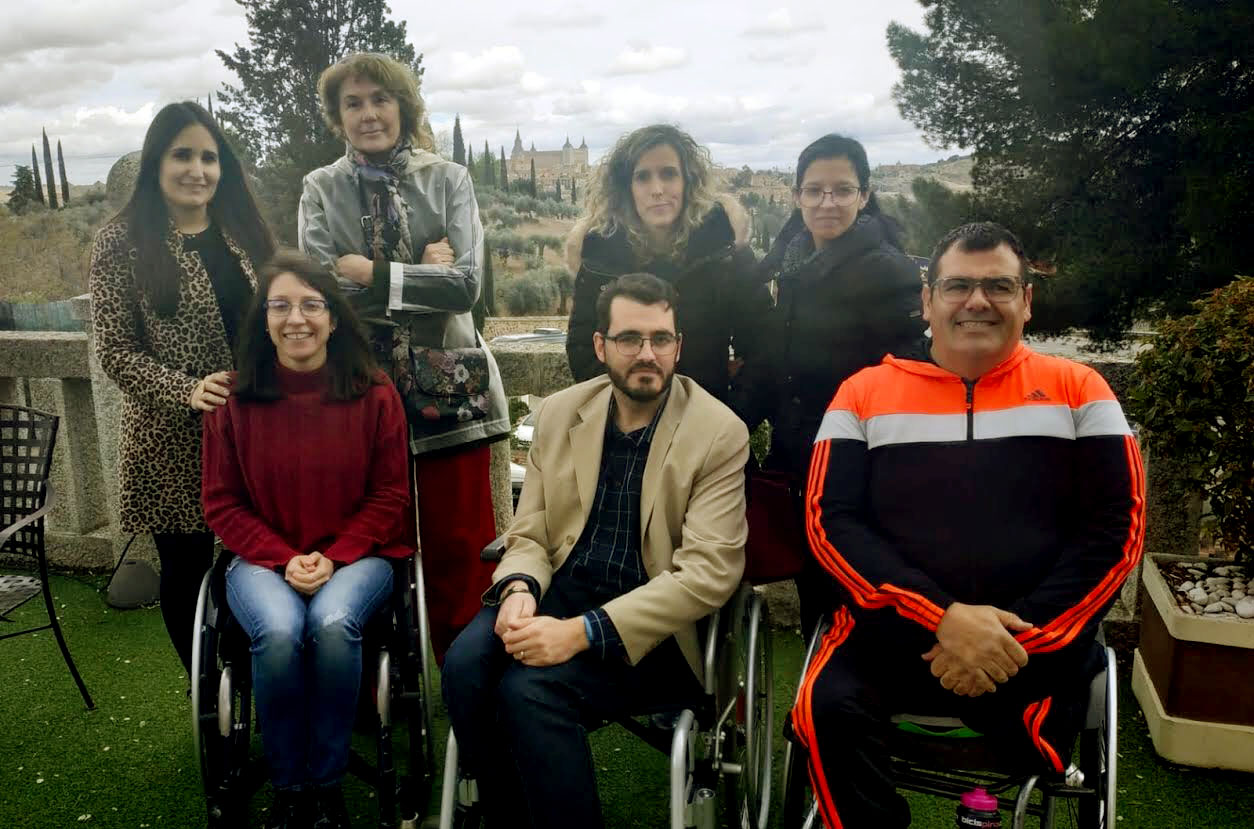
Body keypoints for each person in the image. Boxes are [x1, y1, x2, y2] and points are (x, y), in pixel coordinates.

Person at [790, 222, 1146, 828]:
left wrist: (1010, 642)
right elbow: (831, 523)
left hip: (1033, 647)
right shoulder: (863, 393)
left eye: (998, 286)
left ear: (1026, 301)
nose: (977, 301)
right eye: (957, 286)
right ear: (928, 300)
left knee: (1042, 726)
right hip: (892, 636)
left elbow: (1117, 532)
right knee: (823, 710)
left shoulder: (1080, 390)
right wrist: (943, 618)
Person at [442, 273, 749, 829]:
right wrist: (518, 588)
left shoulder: (717, 432)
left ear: (678, 346)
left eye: (661, 339)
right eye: (630, 338)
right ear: (601, 346)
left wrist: (580, 632)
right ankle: (508, 814)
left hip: (653, 635)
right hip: (560, 592)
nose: (647, 354)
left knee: (529, 691)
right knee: (465, 665)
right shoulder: (561, 413)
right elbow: (531, 532)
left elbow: (708, 574)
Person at [299, 52, 510, 661]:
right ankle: (374, 690)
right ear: (338, 116)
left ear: (404, 106)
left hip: (452, 392)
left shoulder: (449, 180)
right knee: (370, 547)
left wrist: (372, 272)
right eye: (353, 103)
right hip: (357, 392)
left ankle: (472, 689)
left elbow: (467, 286)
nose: (369, 114)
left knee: (463, 547)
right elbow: (318, 291)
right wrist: (422, 271)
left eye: (380, 100)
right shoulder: (320, 189)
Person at [201, 251, 414, 829]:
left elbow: (391, 494)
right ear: (263, 319)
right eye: (281, 305)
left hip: (360, 556)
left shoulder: (374, 394)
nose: (297, 319)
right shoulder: (234, 400)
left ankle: (327, 782)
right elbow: (222, 502)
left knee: (330, 624)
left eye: (311, 304)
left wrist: (336, 555)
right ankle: (289, 784)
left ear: (334, 318)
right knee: (276, 631)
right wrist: (283, 558)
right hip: (261, 561)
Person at [89, 101, 274, 675]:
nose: (198, 169)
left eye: (209, 157)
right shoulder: (120, 242)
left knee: (254, 562)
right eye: (183, 155)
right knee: (189, 569)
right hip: (171, 440)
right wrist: (186, 389)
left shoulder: (242, 230)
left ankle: (252, 683)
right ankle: (208, 694)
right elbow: (115, 351)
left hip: (254, 431)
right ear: (156, 163)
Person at [730, 133, 925, 628]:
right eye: (814, 190)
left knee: (858, 601)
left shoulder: (888, 272)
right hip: (801, 463)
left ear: (864, 195)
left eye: (842, 190)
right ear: (796, 196)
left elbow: (909, 370)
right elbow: (775, 357)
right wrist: (725, 425)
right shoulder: (793, 262)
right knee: (817, 593)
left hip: (862, 470)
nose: (827, 202)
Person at [565, 124, 769, 403]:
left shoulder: (726, 252)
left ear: (688, 182)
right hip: (628, 433)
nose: (657, 189)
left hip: (709, 431)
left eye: (669, 174)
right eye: (643, 177)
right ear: (628, 188)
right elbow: (584, 352)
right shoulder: (600, 258)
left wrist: (732, 423)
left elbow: (762, 348)